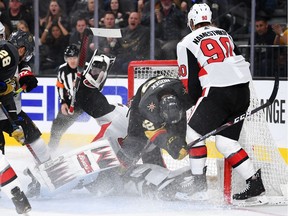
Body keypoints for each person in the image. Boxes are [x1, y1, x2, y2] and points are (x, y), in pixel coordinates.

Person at [177, 3, 266, 202]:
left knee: (193, 133)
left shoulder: (186, 42)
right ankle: (255, 183)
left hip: (218, 93)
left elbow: (190, 82)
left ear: (191, 21)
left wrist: (191, 102)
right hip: (243, 91)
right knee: (226, 142)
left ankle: (199, 188)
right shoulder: (224, 33)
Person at [3, 30, 52, 198]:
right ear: (22, 49)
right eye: (28, 49)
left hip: (13, 114)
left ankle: (44, 177)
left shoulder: (20, 63)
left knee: (38, 143)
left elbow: (25, 72)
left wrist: (27, 79)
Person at [118, 76, 193, 171]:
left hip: (169, 93)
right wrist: (171, 147)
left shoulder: (184, 95)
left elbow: (180, 123)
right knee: (137, 140)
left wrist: (180, 144)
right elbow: (155, 134)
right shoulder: (147, 108)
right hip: (141, 104)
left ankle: (156, 168)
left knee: (178, 139)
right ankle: (120, 166)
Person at [0, 26, 31, 215]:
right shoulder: (8, 51)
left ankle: (16, 195)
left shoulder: (8, 53)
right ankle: (16, 195)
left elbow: (7, 94)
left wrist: (14, 124)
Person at [47, 44, 86, 152]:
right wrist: (63, 102)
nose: (72, 61)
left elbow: (96, 85)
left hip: (87, 100)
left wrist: (81, 85)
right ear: (66, 58)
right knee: (57, 127)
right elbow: (60, 86)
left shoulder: (86, 68)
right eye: (69, 58)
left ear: (79, 57)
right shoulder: (62, 70)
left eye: (74, 58)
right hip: (70, 102)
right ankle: (51, 150)